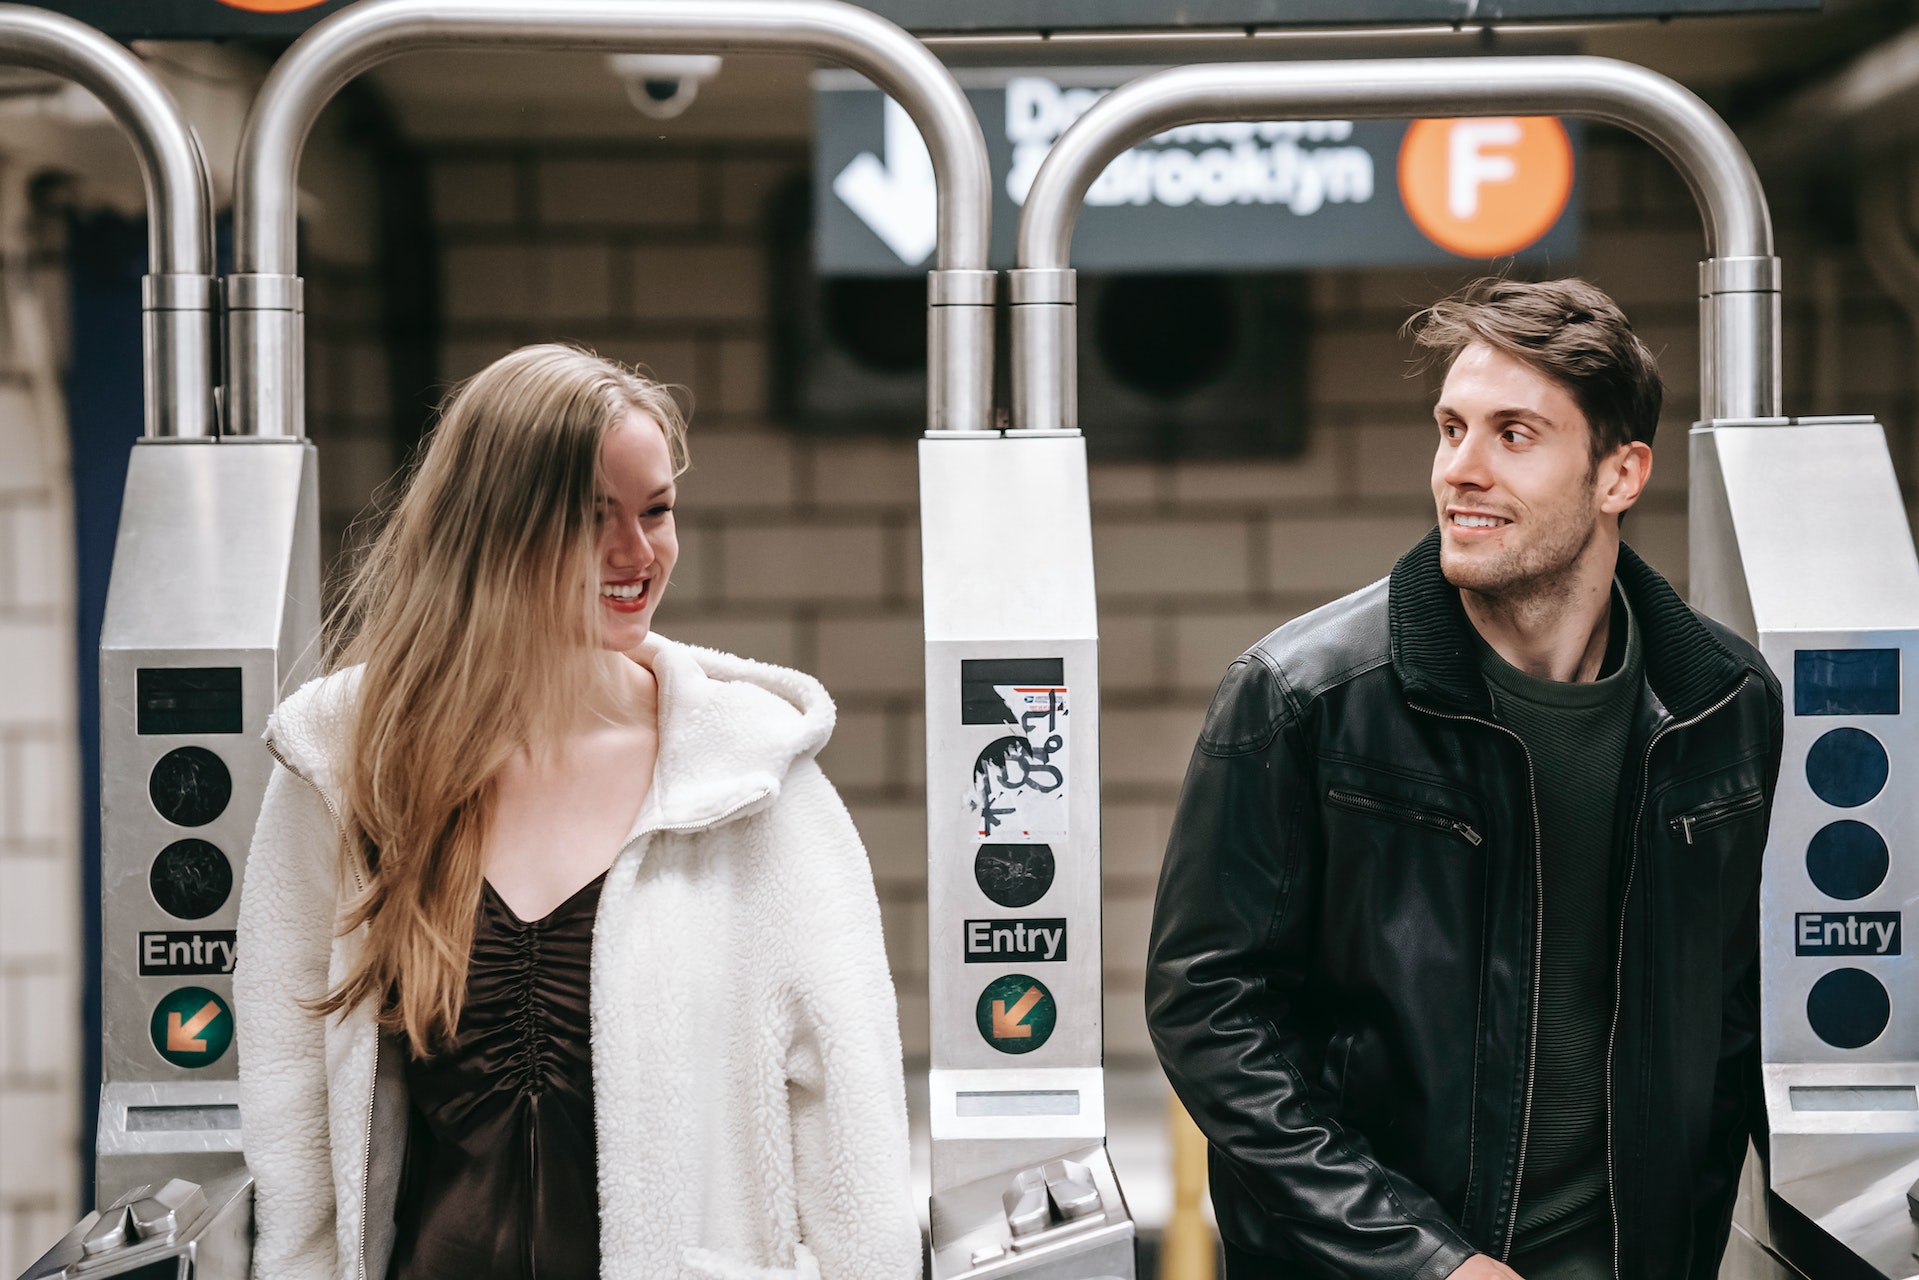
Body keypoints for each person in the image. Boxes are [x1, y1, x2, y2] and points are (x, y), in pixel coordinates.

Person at [233, 344, 919, 1280]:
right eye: (592, 520)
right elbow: (293, 1111)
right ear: (493, 528)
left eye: (658, 511)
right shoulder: (352, 769)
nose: (637, 555)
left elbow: (855, 1154)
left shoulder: (752, 784)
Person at [1146, 279, 1782, 1280]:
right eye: (1449, 428)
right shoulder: (1302, 697)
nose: (1460, 469)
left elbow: (1740, 1016)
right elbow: (1209, 1010)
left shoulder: (1720, 703)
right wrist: (1422, 1258)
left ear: (1618, 473)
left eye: (1511, 434)